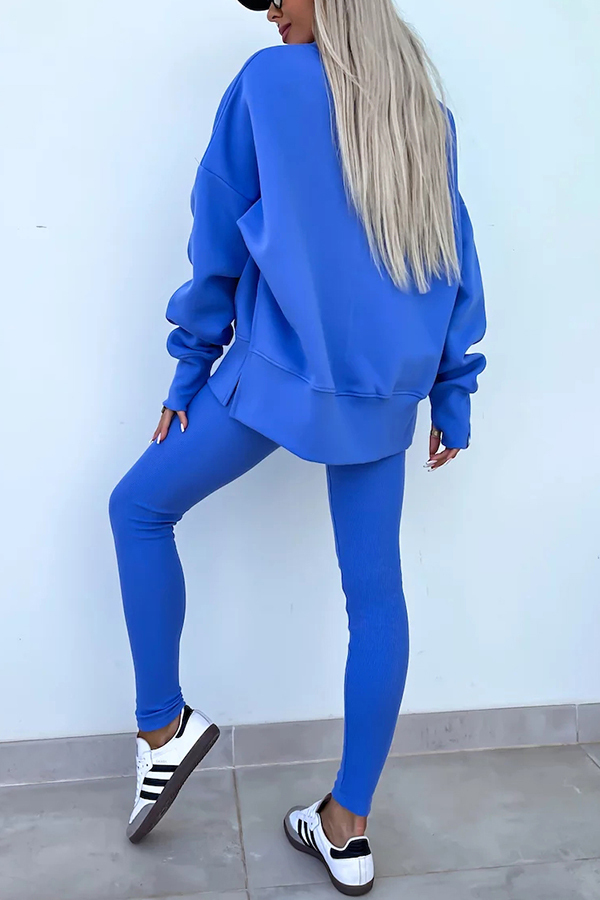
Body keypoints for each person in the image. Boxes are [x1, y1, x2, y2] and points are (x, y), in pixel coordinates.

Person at [108, 0, 486, 893]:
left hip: (275, 378)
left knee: (137, 509)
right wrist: (451, 389)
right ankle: (347, 828)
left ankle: (165, 729)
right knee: (376, 596)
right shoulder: (424, 113)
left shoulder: (269, 83)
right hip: (382, 396)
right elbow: (454, 254)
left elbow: (216, 238)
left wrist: (189, 371)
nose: (270, 8)